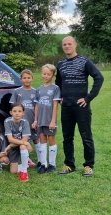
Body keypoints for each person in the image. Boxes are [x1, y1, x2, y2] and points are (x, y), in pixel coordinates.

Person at [55, 36, 104, 177]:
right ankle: (69, 164)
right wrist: (60, 97)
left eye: (69, 44)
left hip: (81, 107)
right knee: (67, 137)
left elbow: (99, 77)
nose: (67, 46)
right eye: (64, 44)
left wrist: (88, 98)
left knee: (86, 136)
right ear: (62, 47)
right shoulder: (61, 64)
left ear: (75, 45)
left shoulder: (85, 61)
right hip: (66, 107)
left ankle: (89, 165)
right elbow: (58, 82)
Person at [9, 69, 40, 169]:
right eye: (24, 78)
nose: (27, 80)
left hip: (32, 121)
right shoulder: (17, 91)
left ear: (32, 79)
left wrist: (36, 120)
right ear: (21, 79)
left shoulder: (36, 92)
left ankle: (41, 161)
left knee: (36, 139)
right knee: (22, 141)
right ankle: (27, 161)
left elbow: (37, 107)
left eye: (29, 78)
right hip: (20, 123)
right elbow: (13, 106)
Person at [33, 64, 61, 174]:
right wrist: (35, 120)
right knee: (42, 141)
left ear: (53, 75)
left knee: (51, 140)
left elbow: (55, 105)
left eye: (48, 74)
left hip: (50, 120)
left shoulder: (55, 88)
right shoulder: (39, 89)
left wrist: (53, 120)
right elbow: (37, 106)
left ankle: (52, 164)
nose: (45, 76)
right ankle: (43, 164)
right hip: (40, 120)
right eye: (44, 74)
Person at [4, 103, 32, 182]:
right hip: (14, 144)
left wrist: (9, 146)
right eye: (15, 111)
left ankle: (24, 172)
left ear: (23, 113)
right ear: (11, 112)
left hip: (22, 144)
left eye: (19, 111)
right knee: (13, 171)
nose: (17, 113)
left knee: (22, 146)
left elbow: (25, 140)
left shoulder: (25, 122)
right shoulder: (7, 121)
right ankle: (27, 163)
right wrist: (10, 145)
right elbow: (10, 139)